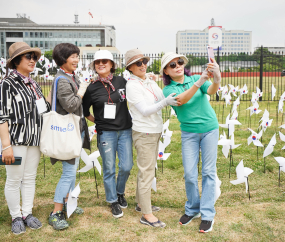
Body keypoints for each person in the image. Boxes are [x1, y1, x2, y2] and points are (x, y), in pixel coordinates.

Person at [161, 52, 220, 233]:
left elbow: (211, 90)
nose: (177, 66)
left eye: (179, 62)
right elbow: (182, 100)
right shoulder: (167, 90)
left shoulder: (195, 78)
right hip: (189, 133)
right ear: (166, 71)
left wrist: (216, 77)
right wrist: (201, 80)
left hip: (210, 129)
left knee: (209, 172)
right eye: (172, 65)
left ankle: (207, 214)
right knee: (189, 173)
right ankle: (193, 209)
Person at [0, 42, 51, 234]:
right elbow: (2, 116)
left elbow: (44, 109)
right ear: (16, 61)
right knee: (14, 179)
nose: (33, 60)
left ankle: (27, 213)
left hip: (35, 140)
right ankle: (15, 216)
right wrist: (6, 146)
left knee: (29, 178)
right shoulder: (7, 83)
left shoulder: (34, 83)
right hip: (16, 140)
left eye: (35, 57)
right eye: (28, 57)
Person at [125, 49, 179, 228]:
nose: (143, 65)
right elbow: (146, 110)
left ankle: (141, 205)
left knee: (147, 170)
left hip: (154, 130)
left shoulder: (147, 82)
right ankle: (146, 215)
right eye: (138, 63)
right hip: (144, 132)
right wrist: (165, 103)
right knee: (147, 172)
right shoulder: (132, 85)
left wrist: (153, 81)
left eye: (144, 62)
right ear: (130, 68)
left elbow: (162, 96)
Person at [83, 50, 133, 218]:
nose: (101, 64)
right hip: (106, 133)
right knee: (109, 168)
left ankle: (120, 192)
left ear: (112, 64)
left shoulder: (122, 81)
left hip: (125, 131)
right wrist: (98, 121)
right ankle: (113, 201)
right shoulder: (92, 88)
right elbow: (85, 111)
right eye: (97, 62)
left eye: (105, 61)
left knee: (126, 166)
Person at [48, 43, 90, 230]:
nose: (76, 60)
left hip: (74, 129)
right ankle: (56, 212)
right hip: (67, 131)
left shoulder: (70, 77)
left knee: (71, 171)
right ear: (62, 59)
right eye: (72, 56)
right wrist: (81, 91)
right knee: (68, 173)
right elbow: (72, 105)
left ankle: (68, 202)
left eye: (77, 56)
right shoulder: (62, 80)